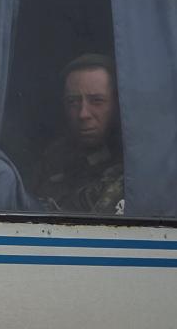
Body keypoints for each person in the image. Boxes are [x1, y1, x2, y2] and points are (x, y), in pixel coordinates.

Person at [28, 54, 124, 215]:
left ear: (117, 104)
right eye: (73, 101)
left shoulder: (135, 166)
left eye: (97, 101)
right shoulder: (53, 158)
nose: (83, 114)